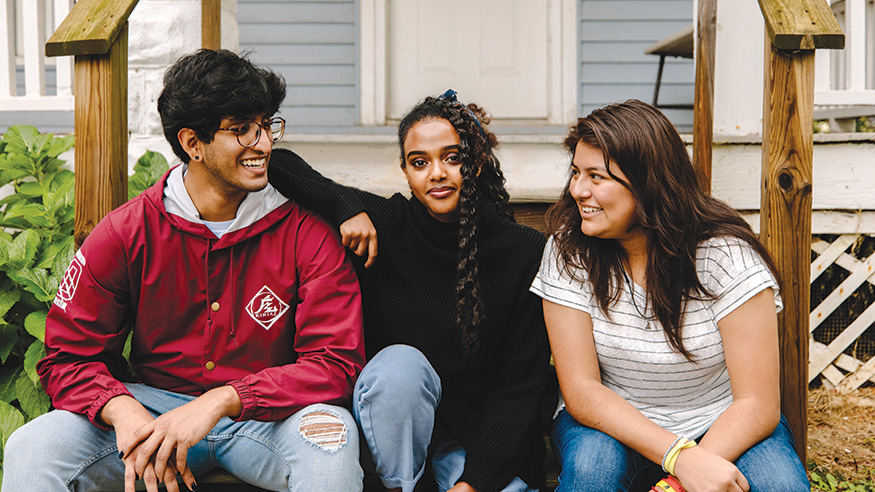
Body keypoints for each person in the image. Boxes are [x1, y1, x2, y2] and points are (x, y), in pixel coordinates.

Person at [2, 49, 365, 492]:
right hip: (153, 415)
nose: (265, 144)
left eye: (266, 126)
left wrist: (225, 399)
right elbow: (67, 356)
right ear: (193, 143)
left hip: (271, 419)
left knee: (332, 443)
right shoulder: (125, 231)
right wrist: (120, 408)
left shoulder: (306, 232)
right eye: (242, 131)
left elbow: (334, 363)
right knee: (33, 447)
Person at [267, 90, 551, 492]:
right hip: (393, 442)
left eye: (453, 158)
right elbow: (277, 162)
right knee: (400, 365)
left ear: (478, 160)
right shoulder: (388, 225)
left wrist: (474, 484)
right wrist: (344, 206)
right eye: (420, 163)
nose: (436, 173)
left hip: (477, 438)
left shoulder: (521, 250)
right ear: (405, 170)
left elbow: (520, 386)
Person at [529, 99, 810, 492]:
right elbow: (582, 391)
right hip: (611, 421)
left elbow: (757, 404)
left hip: (721, 419)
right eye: (576, 172)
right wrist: (680, 458)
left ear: (647, 182)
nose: (577, 189)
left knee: (781, 486)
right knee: (591, 474)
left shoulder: (725, 256)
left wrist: (681, 479)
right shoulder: (569, 251)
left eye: (596, 176)